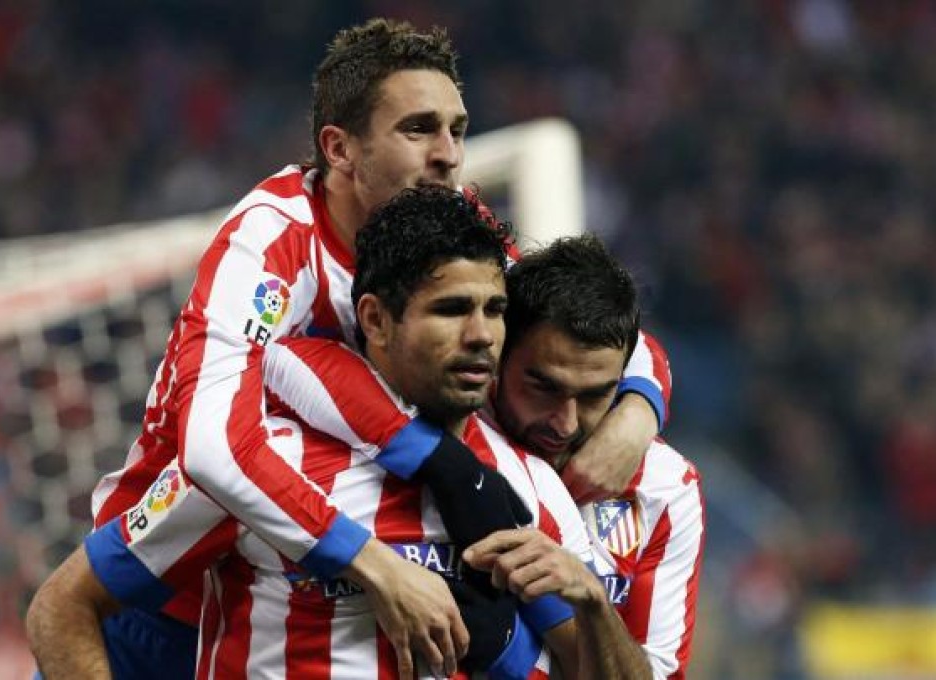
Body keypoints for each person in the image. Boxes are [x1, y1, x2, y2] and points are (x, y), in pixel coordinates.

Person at [74, 16, 672, 679]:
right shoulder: (271, 243)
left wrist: (637, 413)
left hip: (336, 590)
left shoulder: (455, 231)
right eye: (417, 129)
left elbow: (584, 325)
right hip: (167, 595)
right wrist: (371, 561)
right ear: (338, 149)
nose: (447, 153)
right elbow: (214, 445)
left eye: (457, 130)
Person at [27, 186, 595, 679]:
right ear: (374, 319)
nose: (480, 334)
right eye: (450, 310)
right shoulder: (260, 463)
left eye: (495, 310)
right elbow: (62, 609)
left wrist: (549, 629)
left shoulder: (531, 489)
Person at [273, 235, 703, 679]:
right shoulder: (450, 413)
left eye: (596, 396)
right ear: (499, 351)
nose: (565, 423)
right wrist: (448, 466)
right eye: (543, 386)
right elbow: (283, 359)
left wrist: (543, 631)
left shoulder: (665, 489)